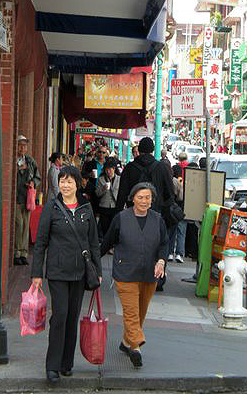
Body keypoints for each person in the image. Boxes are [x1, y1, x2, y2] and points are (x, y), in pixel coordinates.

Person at [31, 166, 102, 383]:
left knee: (72, 318)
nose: (65, 185)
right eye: (62, 180)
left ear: (78, 184)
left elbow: (93, 243)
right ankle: (52, 367)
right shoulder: (51, 208)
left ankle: (66, 363)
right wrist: (37, 274)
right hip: (57, 272)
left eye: (70, 181)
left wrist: (97, 271)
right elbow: (41, 242)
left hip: (80, 272)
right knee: (60, 316)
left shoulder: (86, 209)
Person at [101, 182, 168, 368]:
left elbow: (164, 244)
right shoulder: (121, 218)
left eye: (147, 198)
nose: (144, 201)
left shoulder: (158, 219)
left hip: (149, 274)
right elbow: (107, 243)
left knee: (140, 312)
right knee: (131, 313)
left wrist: (161, 261)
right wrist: (92, 262)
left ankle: (126, 342)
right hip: (125, 273)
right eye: (140, 197)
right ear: (132, 198)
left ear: (152, 200)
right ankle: (136, 347)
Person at [116, 137, 174, 222]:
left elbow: (122, 194)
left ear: (139, 150)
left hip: (133, 214)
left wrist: (118, 215)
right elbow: (170, 193)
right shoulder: (162, 168)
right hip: (155, 215)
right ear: (152, 150)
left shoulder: (129, 167)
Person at [15, 135, 41, 266]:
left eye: (24, 145)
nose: (22, 148)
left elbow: (38, 177)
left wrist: (32, 183)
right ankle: (16, 252)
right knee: (18, 225)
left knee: (25, 226)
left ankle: (23, 253)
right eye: (20, 145)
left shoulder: (30, 161)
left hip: (27, 199)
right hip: (16, 199)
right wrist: (18, 169)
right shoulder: (13, 159)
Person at [95, 157, 120, 241]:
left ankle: (112, 244)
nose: (108, 171)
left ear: (114, 169)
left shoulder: (119, 179)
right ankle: (108, 245)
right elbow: (97, 194)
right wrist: (103, 189)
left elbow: (121, 193)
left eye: (110, 169)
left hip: (115, 206)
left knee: (114, 227)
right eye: (106, 170)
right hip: (104, 206)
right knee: (105, 227)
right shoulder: (101, 179)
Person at [168, 164, 186, 263]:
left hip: (166, 208)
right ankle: (179, 253)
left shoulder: (166, 180)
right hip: (176, 208)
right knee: (179, 231)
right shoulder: (177, 182)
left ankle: (169, 252)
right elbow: (180, 197)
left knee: (169, 231)